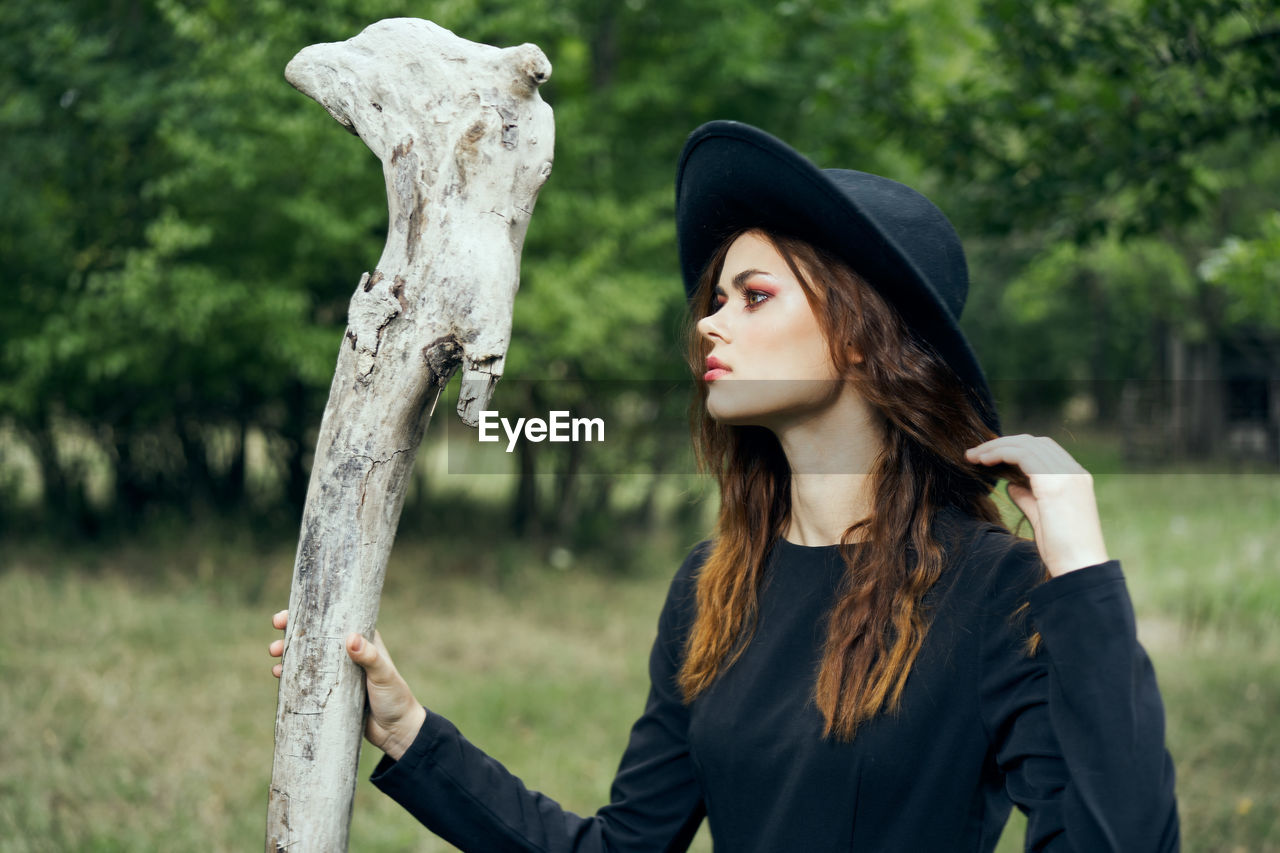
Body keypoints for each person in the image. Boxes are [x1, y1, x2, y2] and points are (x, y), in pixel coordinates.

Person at [269, 121, 1180, 851]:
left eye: (753, 296)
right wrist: (411, 730)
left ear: (861, 337)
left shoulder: (993, 588)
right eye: (714, 298)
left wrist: (1085, 576)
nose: (710, 323)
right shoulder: (713, 591)